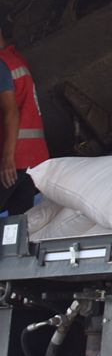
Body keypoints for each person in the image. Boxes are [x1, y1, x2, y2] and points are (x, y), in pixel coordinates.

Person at [0, 17, 47, 217]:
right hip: (33, 160)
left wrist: (7, 158)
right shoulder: (16, 60)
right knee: (18, 225)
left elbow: (11, 111)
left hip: (15, 160)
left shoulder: (1, 64)